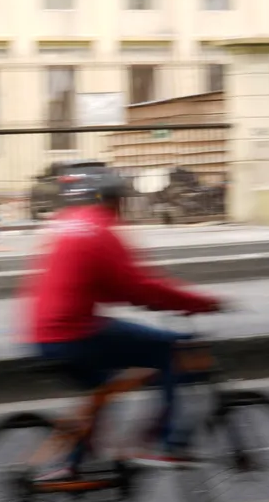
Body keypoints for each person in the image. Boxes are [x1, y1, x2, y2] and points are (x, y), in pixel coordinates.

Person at [21, 169, 224, 469]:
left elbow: (106, 286)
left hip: (42, 333)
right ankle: (169, 444)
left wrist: (152, 299)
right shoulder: (101, 230)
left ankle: (75, 466)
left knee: (104, 387)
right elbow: (136, 287)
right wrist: (198, 302)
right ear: (114, 201)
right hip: (73, 333)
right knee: (173, 350)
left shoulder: (65, 225)